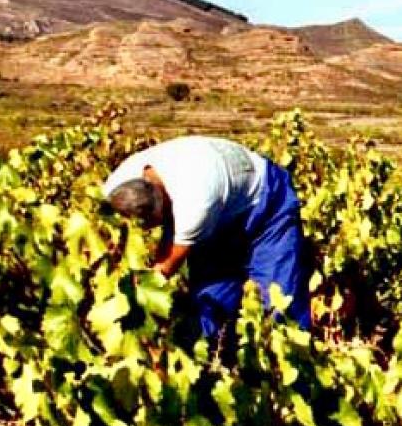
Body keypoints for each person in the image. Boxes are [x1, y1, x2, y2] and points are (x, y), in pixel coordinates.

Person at [102, 136, 311, 338]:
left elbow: (164, 268)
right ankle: (218, 361)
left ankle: (289, 366)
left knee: (280, 302)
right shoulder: (116, 185)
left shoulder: (195, 203)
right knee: (211, 303)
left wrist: (132, 304)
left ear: (164, 201)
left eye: (153, 222)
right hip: (221, 206)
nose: (148, 229)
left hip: (267, 204)